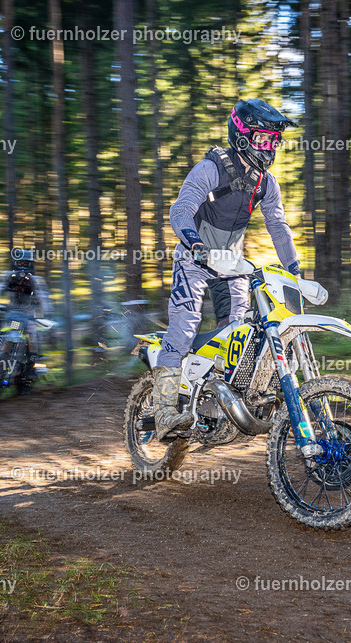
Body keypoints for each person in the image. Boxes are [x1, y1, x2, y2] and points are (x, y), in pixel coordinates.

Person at [152, 98, 299, 440]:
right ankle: (162, 411)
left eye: (274, 141)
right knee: (184, 327)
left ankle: (219, 405)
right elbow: (181, 209)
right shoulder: (211, 168)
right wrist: (197, 247)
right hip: (195, 258)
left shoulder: (267, 182)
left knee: (238, 331)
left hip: (232, 263)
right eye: (264, 139)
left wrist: (296, 272)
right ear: (243, 136)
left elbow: (278, 227)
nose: (270, 147)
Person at [0, 249, 53, 380]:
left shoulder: (36, 280)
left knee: (33, 336)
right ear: (14, 263)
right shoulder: (7, 276)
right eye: (19, 262)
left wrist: (47, 314)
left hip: (29, 315)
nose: (22, 266)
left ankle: (35, 365)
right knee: (1, 334)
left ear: (31, 264)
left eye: (25, 263)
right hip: (12, 314)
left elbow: (44, 297)